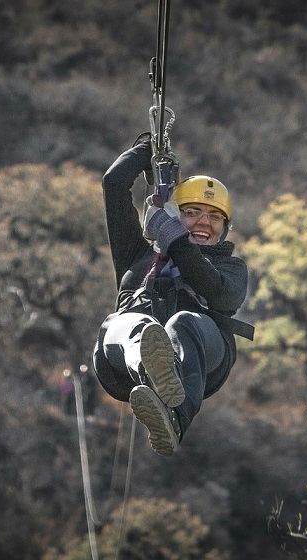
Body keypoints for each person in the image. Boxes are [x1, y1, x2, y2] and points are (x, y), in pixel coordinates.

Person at [92, 133, 253, 456]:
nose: (203, 223)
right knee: (127, 323)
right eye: (192, 212)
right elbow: (114, 184)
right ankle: (152, 371)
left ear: (225, 228)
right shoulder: (137, 255)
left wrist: (172, 237)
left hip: (200, 358)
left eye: (214, 217)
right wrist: (147, 150)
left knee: (183, 322)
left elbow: (217, 292)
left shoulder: (231, 268)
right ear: (173, 212)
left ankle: (175, 417)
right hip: (124, 364)